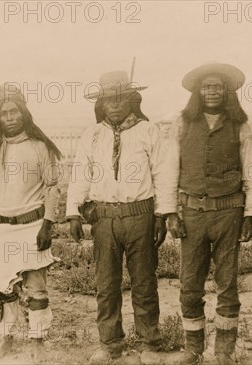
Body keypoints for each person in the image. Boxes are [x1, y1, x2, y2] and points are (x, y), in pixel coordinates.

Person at [66, 70, 176, 365]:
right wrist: (73, 212)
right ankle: (110, 344)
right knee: (106, 284)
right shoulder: (93, 134)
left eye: (120, 99)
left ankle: (149, 343)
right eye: (108, 100)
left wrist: (161, 216)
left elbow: (163, 175)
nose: (114, 105)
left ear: (131, 100)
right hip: (104, 219)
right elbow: (81, 173)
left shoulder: (148, 131)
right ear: (101, 103)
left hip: (140, 215)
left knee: (144, 282)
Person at [164, 62, 252, 365]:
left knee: (227, 282)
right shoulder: (181, 123)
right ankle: (193, 348)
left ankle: (224, 351)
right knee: (190, 283)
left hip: (229, 214)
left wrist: (250, 215)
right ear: (198, 91)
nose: (211, 92)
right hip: (192, 214)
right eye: (206, 86)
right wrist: (170, 212)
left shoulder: (241, 125)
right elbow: (169, 169)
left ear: (227, 91)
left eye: (217, 86)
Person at [0, 85, 62, 363]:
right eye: (4, 113)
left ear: (24, 112)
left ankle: (37, 342)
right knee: (4, 290)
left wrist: (47, 225)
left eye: (15, 111)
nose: (10, 117)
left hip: (32, 228)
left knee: (36, 289)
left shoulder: (41, 147)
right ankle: (7, 339)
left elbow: (52, 189)